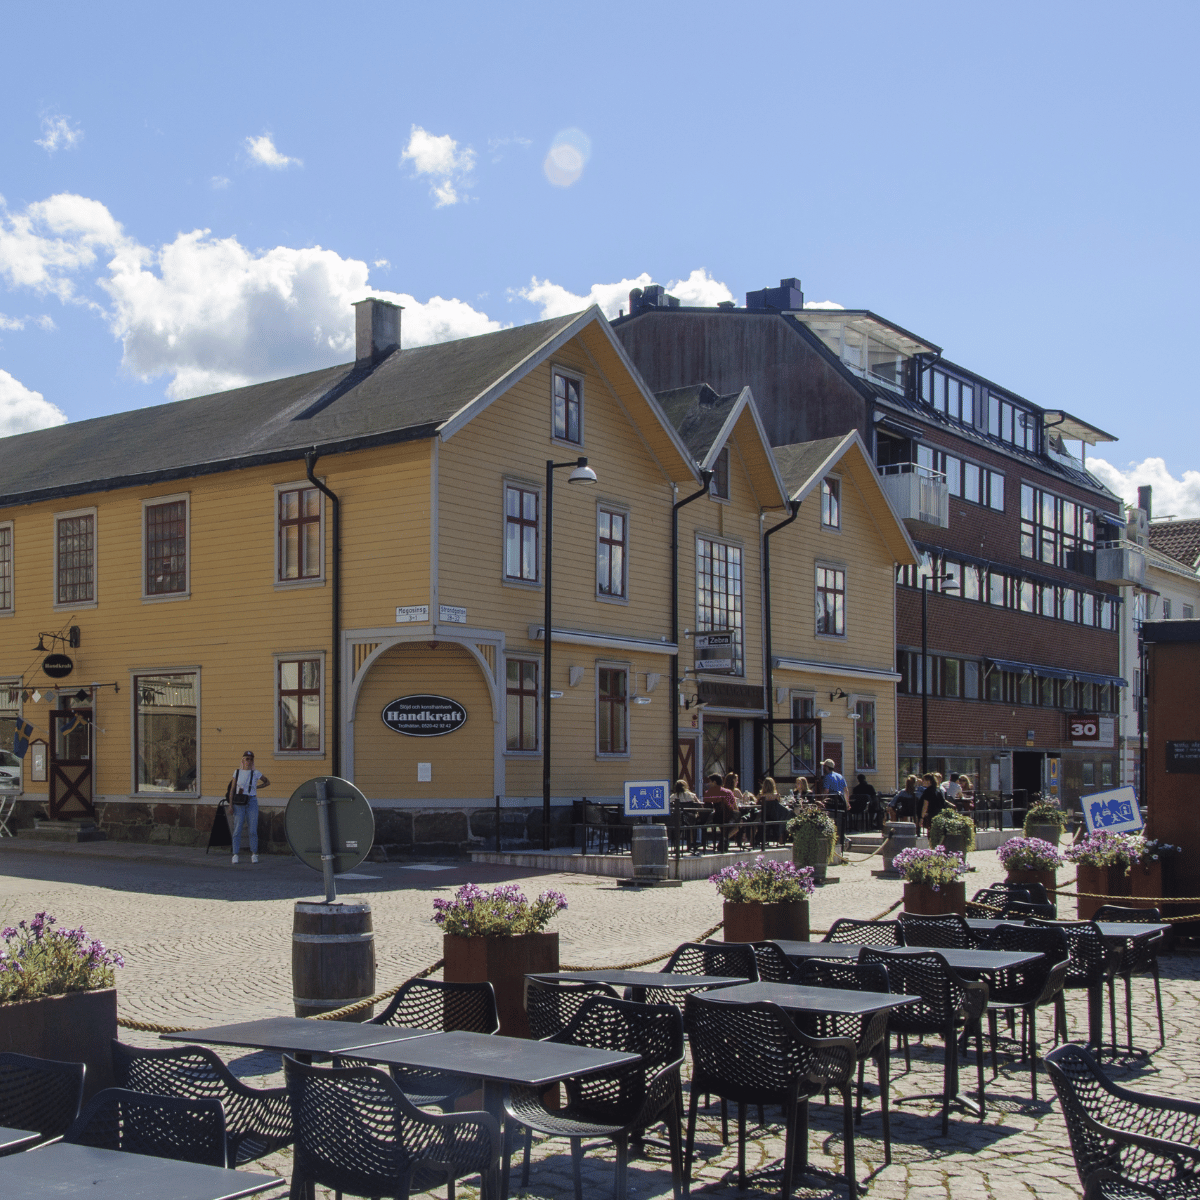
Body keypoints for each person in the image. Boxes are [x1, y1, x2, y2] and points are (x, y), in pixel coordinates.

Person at [228, 751, 269, 864]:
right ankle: (235, 854)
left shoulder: (256, 773)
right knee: (238, 828)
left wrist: (257, 788)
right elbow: (232, 789)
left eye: (251, 759)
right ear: (242, 760)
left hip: (251, 800)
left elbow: (267, 782)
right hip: (239, 802)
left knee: (252, 829)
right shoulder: (237, 772)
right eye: (247, 759)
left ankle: (254, 853)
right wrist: (230, 805)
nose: (249, 761)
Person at [704, 772, 741, 850]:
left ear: (714, 782)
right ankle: (724, 838)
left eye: (709, 782)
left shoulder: (708, 793)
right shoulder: (727, 792)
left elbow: (706, 804)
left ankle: (724, 839)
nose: (708, 784)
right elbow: (733, 807)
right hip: (727, 817)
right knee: (740, 823)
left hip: (713, 818)